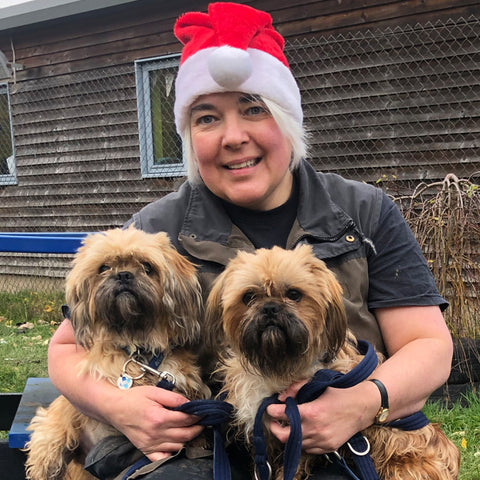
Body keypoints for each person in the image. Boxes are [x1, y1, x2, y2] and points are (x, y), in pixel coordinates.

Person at [48, 3, 454, 479]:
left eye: (253, 109)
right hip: (210, 449)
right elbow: (67, 348)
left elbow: (429, 345)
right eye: (206, 118)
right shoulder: (156, 230)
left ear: (287, 119)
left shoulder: (363, 211)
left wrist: (362, 403)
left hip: (348, 442)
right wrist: (119, 407)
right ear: (189, 138)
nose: (233, 137)